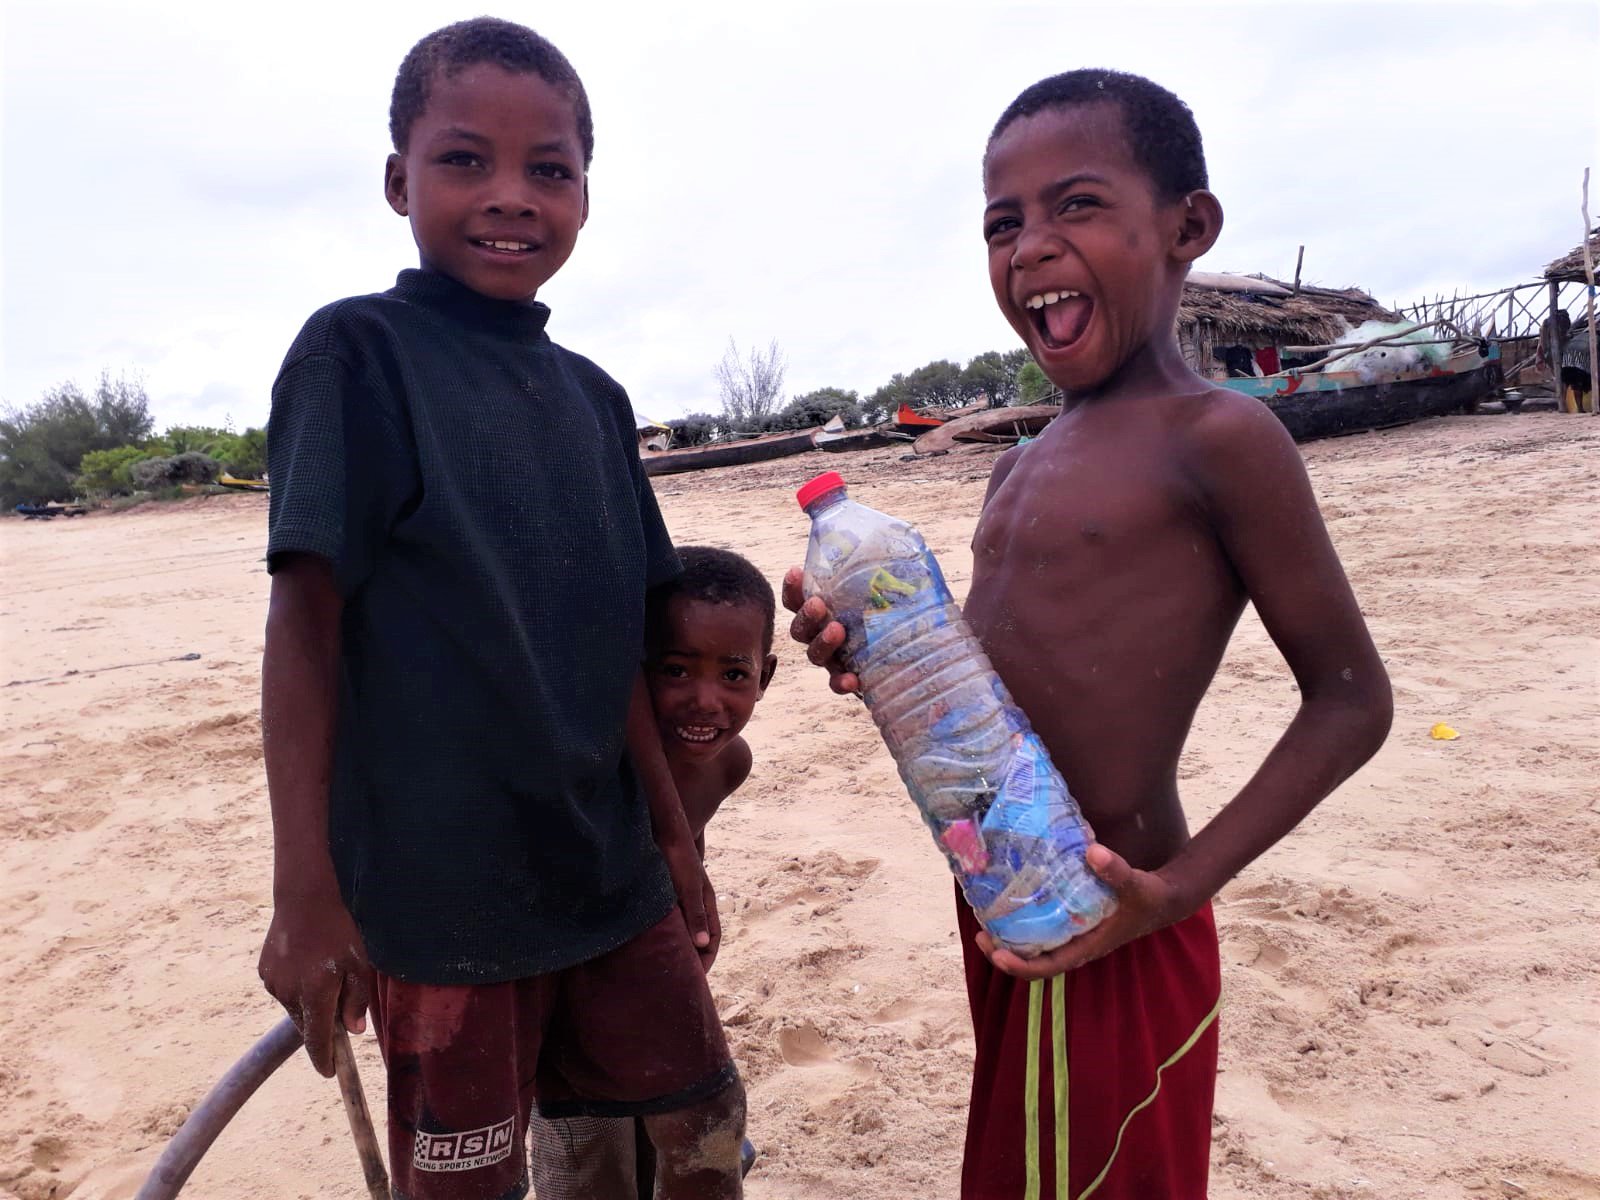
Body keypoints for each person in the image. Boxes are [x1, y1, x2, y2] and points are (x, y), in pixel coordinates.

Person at [784, 70, 1392, 1199]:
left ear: (1185, 228)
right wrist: (870, 653)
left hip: (1118, 908)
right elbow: (985, 685)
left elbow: (1352, 699)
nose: (1029, 247)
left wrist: (1179, 889)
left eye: (1075, 206)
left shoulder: (1218, 437)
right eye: (1001, 224)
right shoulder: (1016, 464)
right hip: (1004, 896)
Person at [256, 18, 746, 1199]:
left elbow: (624, 652)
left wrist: (675, 846)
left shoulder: (593, 399)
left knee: (687, 1147)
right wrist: (305, 897)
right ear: (397, 180)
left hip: (610, 877)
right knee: (468, 1182)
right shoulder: (354, 357)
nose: (510, 196)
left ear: (586, 193)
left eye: (550, 168)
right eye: (465, 159)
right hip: (441, 903)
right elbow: (306, 629)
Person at [529, 546, 777, 1200]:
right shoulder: (599, 771)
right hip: (575, 979)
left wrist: (694, 899)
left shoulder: (729, 764)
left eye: (734, 674)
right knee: (586, 1152)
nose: (705, 701)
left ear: (766, 676)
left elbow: (685, 847)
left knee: (685, 1123)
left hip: (658, 967)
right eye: (674, 669)